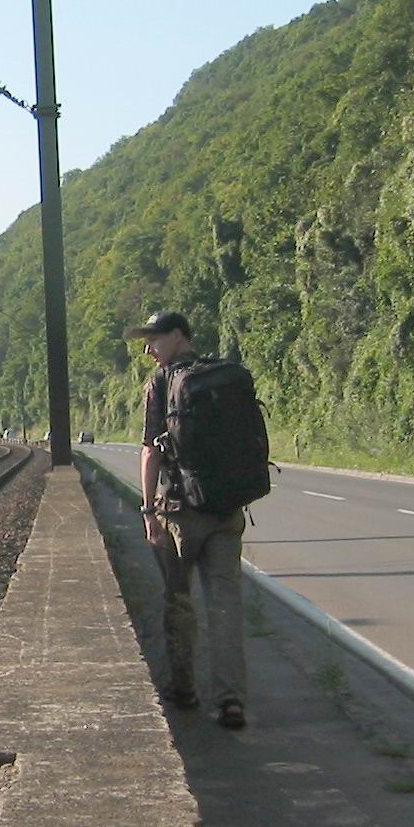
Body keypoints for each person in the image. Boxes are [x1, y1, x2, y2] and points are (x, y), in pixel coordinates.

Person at [130, 310, 248, 729]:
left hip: (180, 512)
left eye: (154, 339)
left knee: (180, 602)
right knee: (226, 605)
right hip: (227, 510)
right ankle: (231, 700)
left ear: (179, 336)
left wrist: (148, 511)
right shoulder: (225, 375)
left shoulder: (162, 384)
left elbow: (151, 450)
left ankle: (185, 690)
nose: (148, 349)